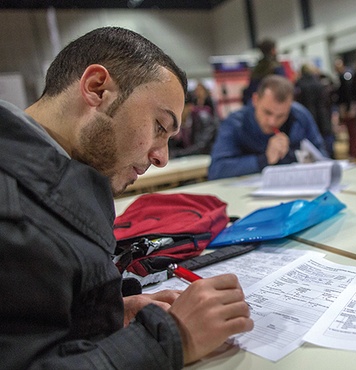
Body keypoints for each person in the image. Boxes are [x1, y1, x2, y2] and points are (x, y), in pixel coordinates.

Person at [0, 27, 253, 369]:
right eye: (160, 126)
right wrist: (170, 338)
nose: (162, 157)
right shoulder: (12, 209)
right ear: (97, 89)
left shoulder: (53, 180)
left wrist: (105, 312)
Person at [209, 75, 328, 180]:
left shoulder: (300, 116)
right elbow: (217, 170)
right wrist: (265, 159)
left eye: (281, 116)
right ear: (255, 100)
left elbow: (322, 155)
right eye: (267, 112)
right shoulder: (235, 123)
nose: (273, 122)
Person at [295, 64, 335, 157]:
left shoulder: (299, 85)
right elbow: (327, 101)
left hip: (308, 116)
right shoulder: (319, 83)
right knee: (326, 143)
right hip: (322, 116)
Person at [242, 38, 286, 105]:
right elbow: (283, 86)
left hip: (257, 103)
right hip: (273, 102)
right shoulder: (275, 66)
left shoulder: (257, 67)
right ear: (272, 50)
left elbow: (251, 88)